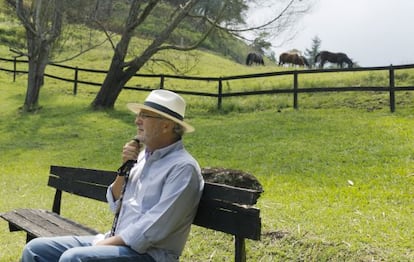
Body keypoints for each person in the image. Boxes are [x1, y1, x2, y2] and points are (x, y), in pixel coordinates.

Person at [22, 89, 204, 262]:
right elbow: (115, 203)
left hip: (150, 255)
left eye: (144, 116)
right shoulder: (142, 158)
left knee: (74, 258)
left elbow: (152, 228)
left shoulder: (183, 168)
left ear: (166, 125)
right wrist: (124, 169)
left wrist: (103, 244)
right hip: (117, 242)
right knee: (35, 249)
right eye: (138, 114)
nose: (137, 120)